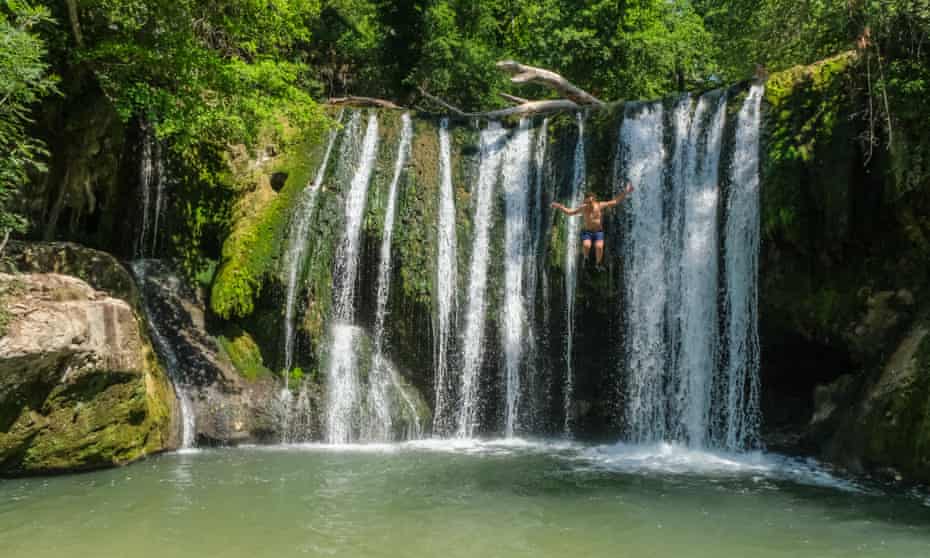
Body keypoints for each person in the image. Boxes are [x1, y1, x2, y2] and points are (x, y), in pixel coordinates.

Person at [551, 182, 635, 269]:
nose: (589, 205)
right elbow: (570, 212)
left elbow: (615, 202)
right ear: (585, 201)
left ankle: (598, 263)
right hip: (587, 232)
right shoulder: (583, 208)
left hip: (598, 232)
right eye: (587, 202)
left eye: (591, 202)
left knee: (599, 246)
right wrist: (560, 207)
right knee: (587, 245)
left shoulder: (599, 205)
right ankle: (586, 258)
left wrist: (626, 191)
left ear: (594, 200)